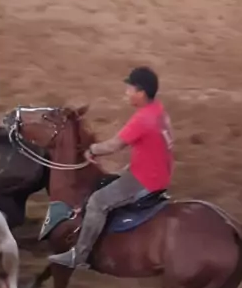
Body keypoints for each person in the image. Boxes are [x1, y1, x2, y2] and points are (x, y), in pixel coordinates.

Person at [49, 66, 173, 269]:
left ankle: (79, 256)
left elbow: (114, 145)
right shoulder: (158, 110)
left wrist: (92, 150)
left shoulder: (142, 119)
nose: (127, 92)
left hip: (144, 179)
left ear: (141, 92)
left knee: (97, 202)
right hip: (158, 172)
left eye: (130, 88)